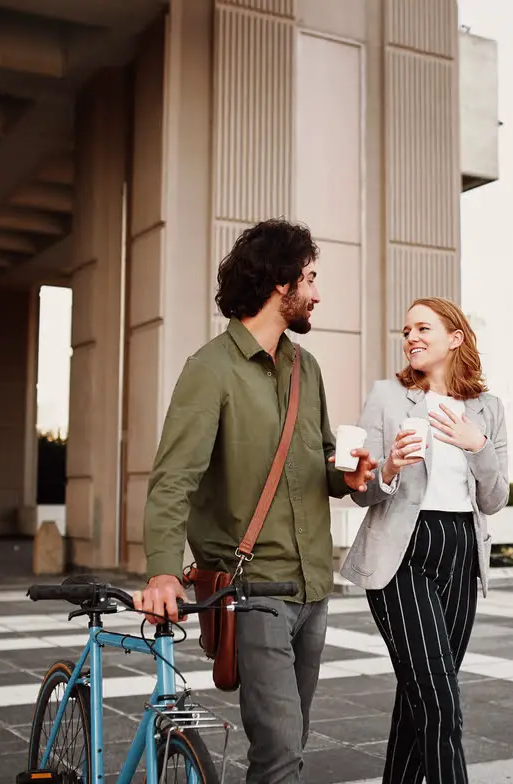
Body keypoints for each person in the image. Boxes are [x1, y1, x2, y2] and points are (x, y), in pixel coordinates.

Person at [135, 218, 377, 784]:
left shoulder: (305, 367)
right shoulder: (210, 370)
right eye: (310, 277)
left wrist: (350, 475)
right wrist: (163, 573)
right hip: (252, 590)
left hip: (314, 586)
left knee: (291, 742)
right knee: (279, 752)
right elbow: (173, 479)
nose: (317, 292)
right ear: (280, 282)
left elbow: (319, 459)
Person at [340, 296, 509, 784]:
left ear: (455, 337)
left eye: (423, 329)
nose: (411, 338)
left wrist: (477, 446)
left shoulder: (488, 408)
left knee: (421, 695)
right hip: (403, 551)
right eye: (407, 330)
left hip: (460, 550)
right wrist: (389, 466)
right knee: (438, 701)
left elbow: (494, 498)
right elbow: (361, 489)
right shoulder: (387, 396)